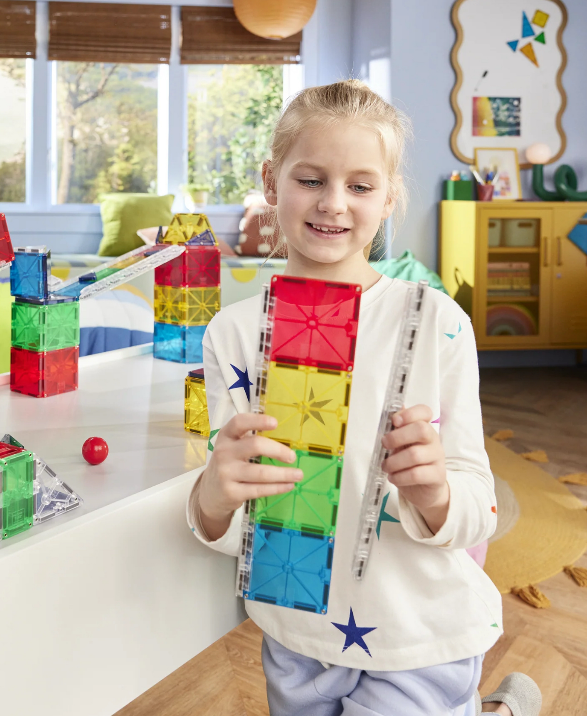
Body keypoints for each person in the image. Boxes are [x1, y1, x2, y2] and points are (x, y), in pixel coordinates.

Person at [188, 80, 539, 715]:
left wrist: (431, 490)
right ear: (272, 182)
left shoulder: (437, 322)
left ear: (388, 197)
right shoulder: (233, 335)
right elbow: (232, 519)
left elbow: (478, 509)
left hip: (418, 636)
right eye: (310, 179)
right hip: (297, 637)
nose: (333, 204)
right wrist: (212, 496)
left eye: (359, 185)